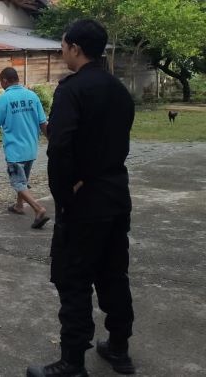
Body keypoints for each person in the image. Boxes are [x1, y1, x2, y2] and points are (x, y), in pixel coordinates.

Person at [27, 19, 136, 377]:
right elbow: (117, 140)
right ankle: (118, 348)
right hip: (116, 194)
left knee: (73, 278)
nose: (62, 52)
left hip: (85, 200)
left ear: (75, 48)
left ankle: (72, 362)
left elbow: (60, 147)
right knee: (113, 273)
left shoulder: (72, 90)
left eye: (63, 46)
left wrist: (64, 193)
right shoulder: (118, 89)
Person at [0, 67, 50, 229]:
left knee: (17, 182)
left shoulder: (4, 98)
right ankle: (19, 206)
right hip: (31, 148)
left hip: (15, 150)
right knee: (23, 180)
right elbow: (43, 123)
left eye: (1, 82)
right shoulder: (32, 96)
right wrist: (52, 141)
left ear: (5, 81)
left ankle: (38, 209)